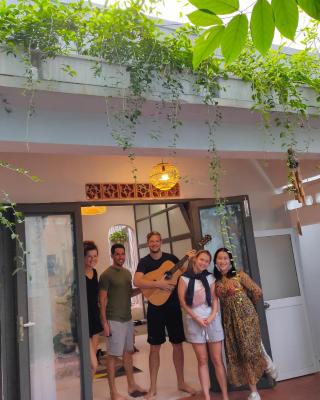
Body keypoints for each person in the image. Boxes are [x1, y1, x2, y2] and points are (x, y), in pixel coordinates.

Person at [133, 231, 195, 399]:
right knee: (154, 347)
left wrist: (189, 258)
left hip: (173, 306)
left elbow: (184, 273)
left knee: (177, 344)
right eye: (151, 241)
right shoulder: (144, 262)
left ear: (161, 242)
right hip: (155, 307)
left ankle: (181, 382)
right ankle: (152, 387)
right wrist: (159, 283)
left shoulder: (171, 259)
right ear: (148, 244)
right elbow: (137, 281)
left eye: (157, 241)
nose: (154, 244)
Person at [213, 247, 267, 400]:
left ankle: (256, 387)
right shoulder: (216, 281)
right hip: (230, 321)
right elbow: (219, 300)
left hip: (246, 318)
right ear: (216, 261)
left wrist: (248, 306)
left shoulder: (240, 275)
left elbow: (257, 291)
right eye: (219, 258)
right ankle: (254, 391)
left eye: (225, 258)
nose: (222, 261)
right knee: (240, 353)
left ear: (230, 260)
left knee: (249, 350)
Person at [178, 250, 229, 400]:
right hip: (194, 321)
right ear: (195, 260)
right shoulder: (184, 279)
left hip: (212, 320)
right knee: (202, 360)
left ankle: (225, 396)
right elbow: (182, 302)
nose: (204, 263)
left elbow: (214, 300)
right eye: (201, 260)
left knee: (217, 359)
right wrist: (196, 318)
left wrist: (212, 316)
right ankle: (207, 396)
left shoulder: (211, 277)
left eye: (207, 261)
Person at [99, 243, 147, 400]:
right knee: (113, 356)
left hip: (127, 319)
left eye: (122, 254)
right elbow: (102, 300)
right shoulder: (106, 275)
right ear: (112, 255)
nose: (120, 257)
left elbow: (128, 294)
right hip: (114, 320)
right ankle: (113, 393)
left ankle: (131, 385)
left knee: (128, 353)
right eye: (117, 254)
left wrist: (143, 288)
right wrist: (104, 323)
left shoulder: (127, 273)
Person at [84, 240, 103, 377]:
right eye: (89, 256)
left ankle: (87, 392)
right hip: (84, 319)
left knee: (91, 364)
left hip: (95, 317)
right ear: (84, 257)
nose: (93, 259)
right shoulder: (78, 273)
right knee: (94, 363)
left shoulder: (95, 273)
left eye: (95, 256)